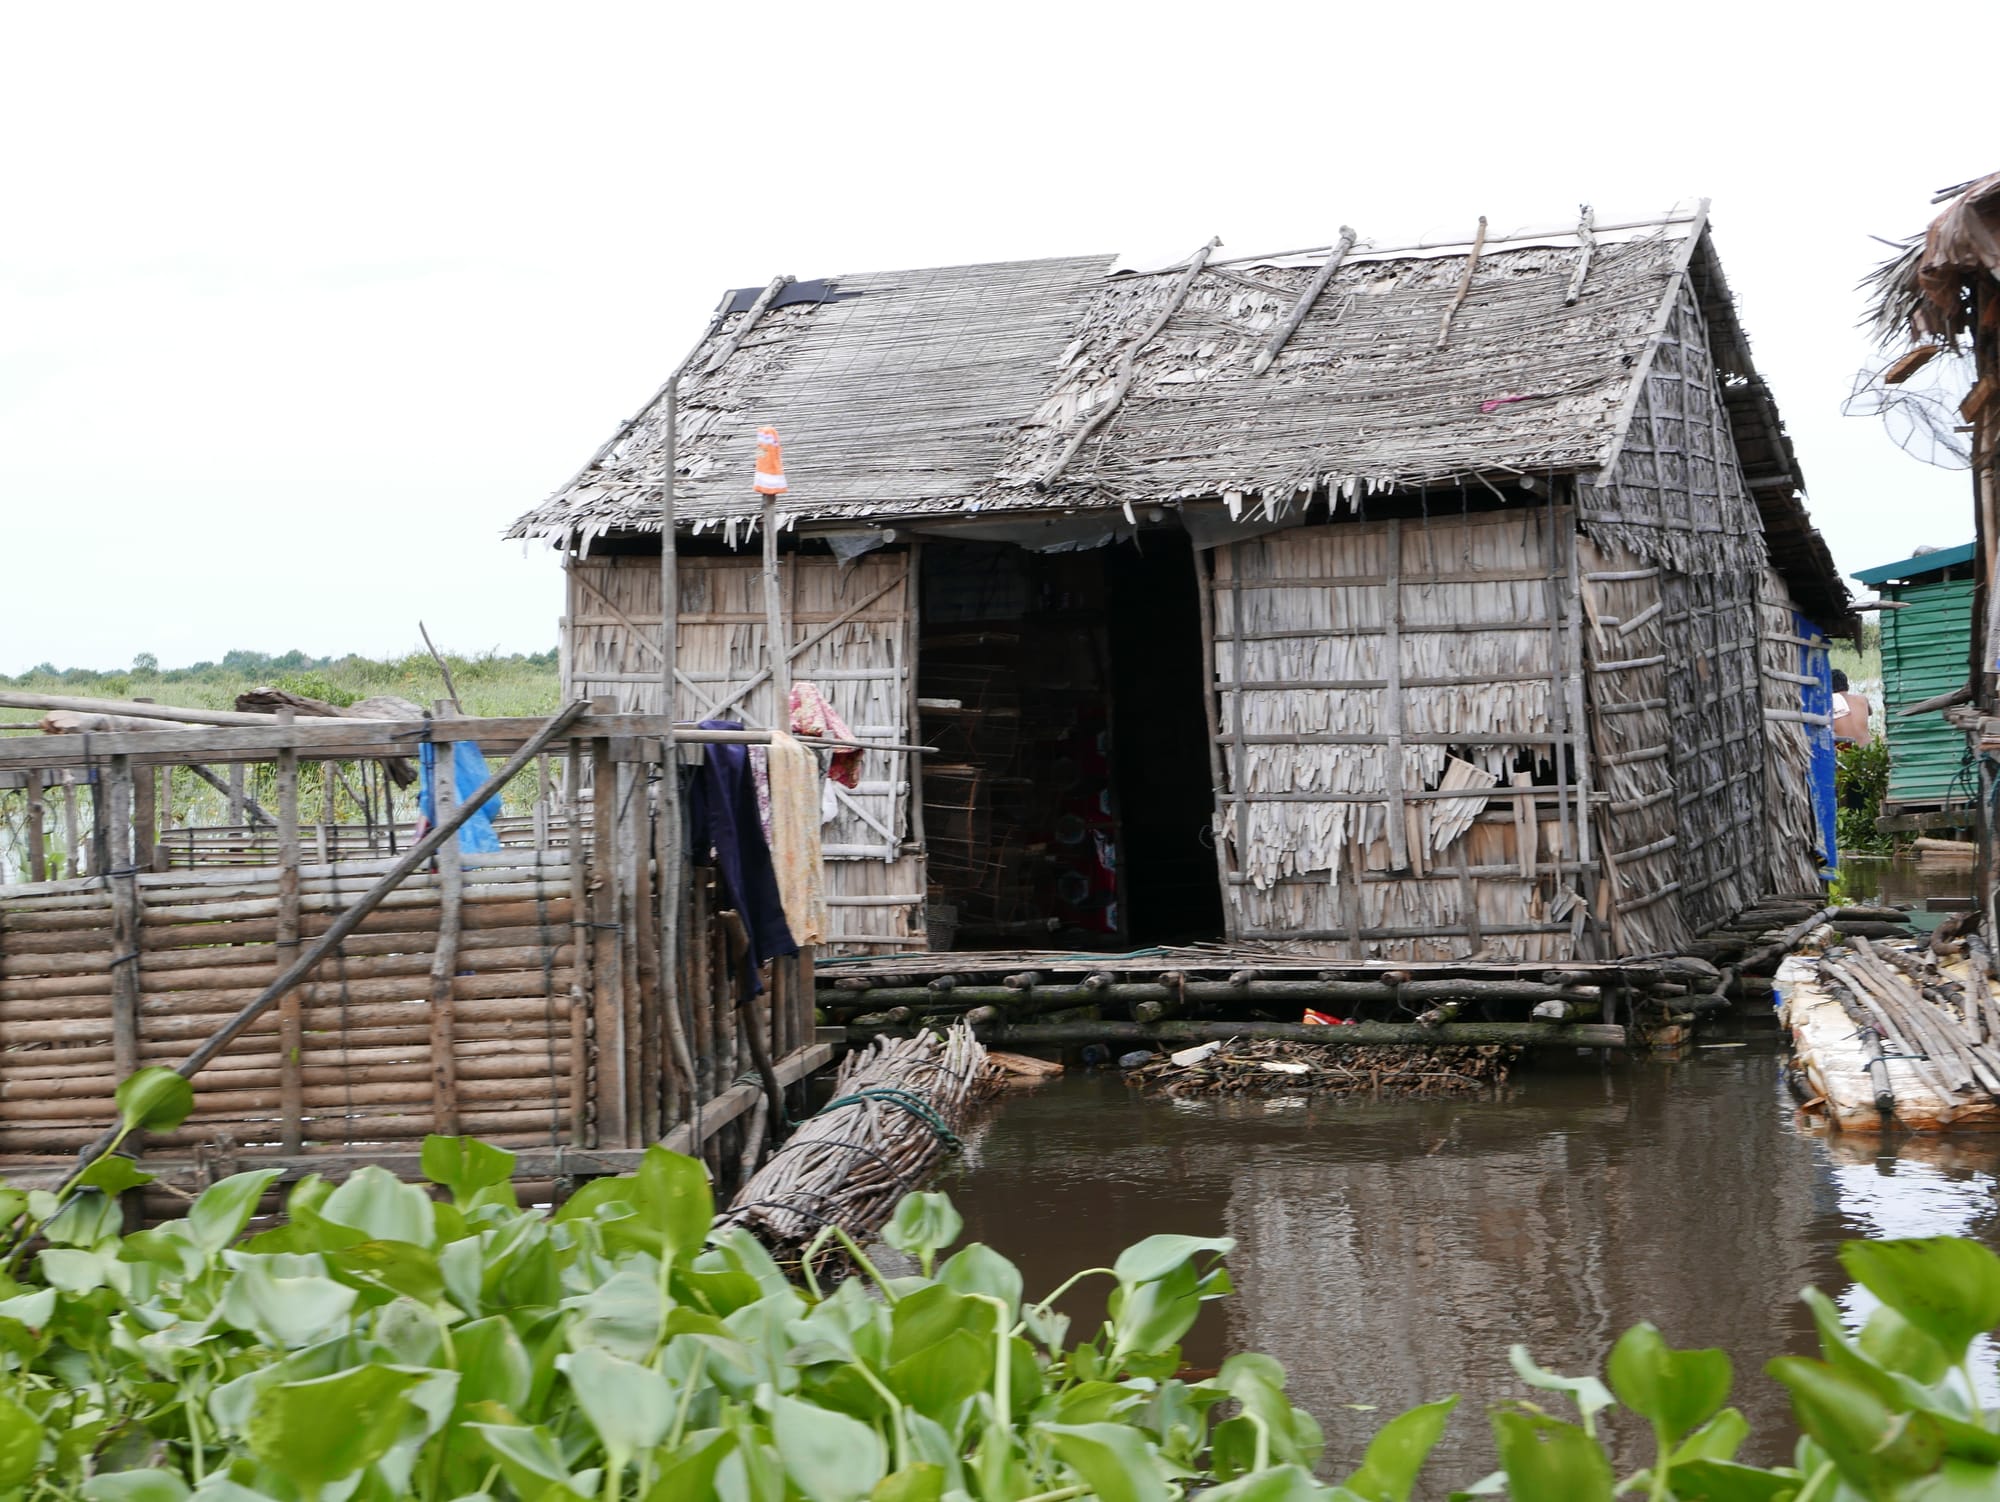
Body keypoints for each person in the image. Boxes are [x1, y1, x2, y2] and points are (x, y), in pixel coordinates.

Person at [1830, 669, 1872, 746]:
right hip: (1868, 751)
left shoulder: (1829, 703)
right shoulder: (1862, 699)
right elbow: (1870, 713)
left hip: (1845, 752)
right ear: (1846, 685)